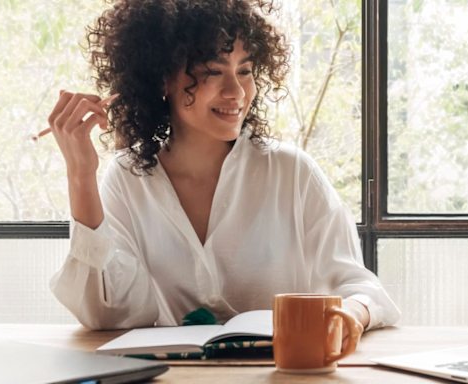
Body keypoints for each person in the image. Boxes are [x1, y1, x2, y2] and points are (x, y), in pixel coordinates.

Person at [48, 0, 401, 345]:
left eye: (244, 71)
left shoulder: (291, 172)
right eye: (213, 72)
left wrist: (351, 315)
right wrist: (81, 176)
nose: (236, 92)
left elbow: (363, 289)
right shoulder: (127, 179)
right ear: (162, 80)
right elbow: (106, 313)